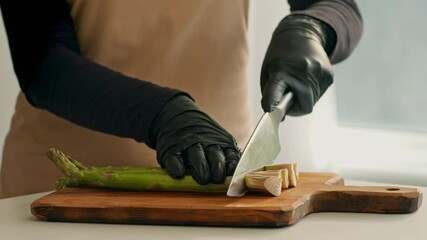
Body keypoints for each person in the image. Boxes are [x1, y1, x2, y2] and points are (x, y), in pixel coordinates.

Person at [0, 0, 363, 198]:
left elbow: (337, 5)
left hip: (215, 175)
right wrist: (162, 113)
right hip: (60, 189)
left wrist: (313, 27)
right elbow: (43, 62)